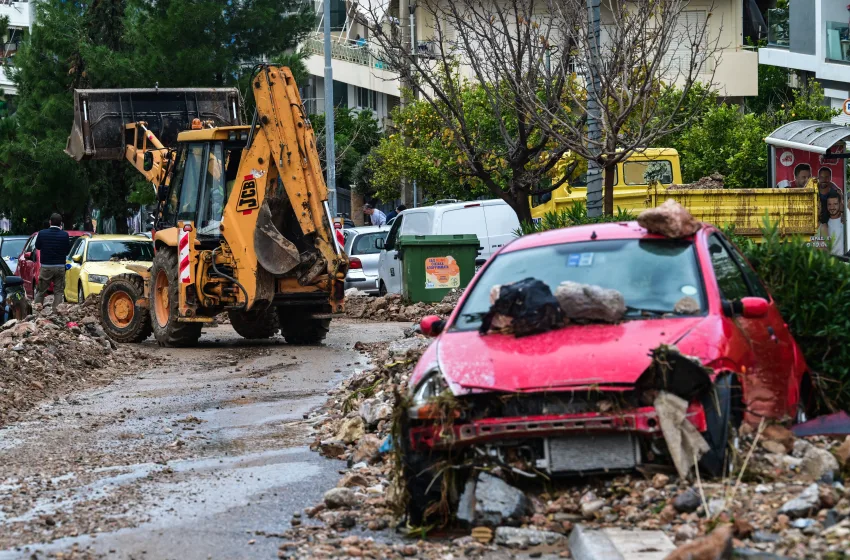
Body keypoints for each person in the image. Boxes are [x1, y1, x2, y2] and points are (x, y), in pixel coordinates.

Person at [34, 213, 71, 306]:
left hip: (46, 267)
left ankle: (37, 312)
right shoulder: (65, 235)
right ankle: (57, 312)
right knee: (58, 291)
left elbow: (37, 246)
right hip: (60, 267)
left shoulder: (42, 233)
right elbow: (67, 251)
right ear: (61, 224)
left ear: (50, 222)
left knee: (41, 291)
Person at [819, 191, 845, 256]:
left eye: (835, 204)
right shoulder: (824, 223)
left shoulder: (846, 220)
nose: (832, 207)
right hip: (831, 262)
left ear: (840, 204)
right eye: (829, 204)